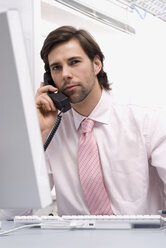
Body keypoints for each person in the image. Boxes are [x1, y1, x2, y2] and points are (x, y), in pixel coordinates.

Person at [2, 26, 166, 219]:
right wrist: (36, 137)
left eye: (74, 62)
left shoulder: (146, 119)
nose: (66, 74)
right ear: (49, 79)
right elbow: (10, 213)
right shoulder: (53, 130)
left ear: (97, 64)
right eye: (56, 67)